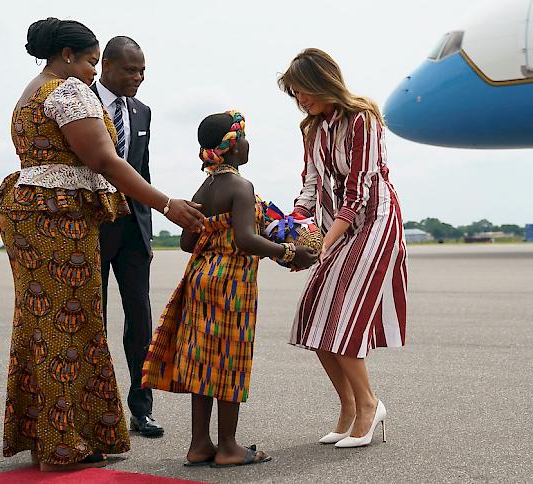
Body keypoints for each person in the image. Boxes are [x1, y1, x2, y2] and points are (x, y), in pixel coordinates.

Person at [0, 18, 203, 471]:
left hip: (33, 214)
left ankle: (51, 434)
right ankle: (65, 442)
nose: (91, 71)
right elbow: (105, 160)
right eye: (90, 61)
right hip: (57, 221)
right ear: (68, 56)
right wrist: (167, 204)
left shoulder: (33, 90)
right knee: (68, 327)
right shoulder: (67, 90)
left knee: (44, 326)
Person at [142, 111, 318, 467]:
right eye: (246, 137)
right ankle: (229, 447)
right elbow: (245, 238)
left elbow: (187, 243)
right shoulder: (241, 187)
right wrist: (289, 251)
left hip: (200, 278)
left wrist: (215, 238)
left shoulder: (203, 189)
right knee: (229, 363)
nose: (249, 143)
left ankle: (199, 444)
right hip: (232, 283)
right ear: (234, 145)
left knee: (203, 362)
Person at [278, 48, 408, 448]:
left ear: (323, 81)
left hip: (373, 222)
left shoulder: (362, 120)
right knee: (312, 319)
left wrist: (322, 245)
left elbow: (357, 193)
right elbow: (311, 186)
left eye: (303, 90)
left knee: (340, 319)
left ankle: (369, 404)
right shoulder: (311, 129)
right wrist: (290, 228)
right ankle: (349, 407)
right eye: (295, 94)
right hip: (337, 226)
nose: (301, 100)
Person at [90, 36, 162, 438]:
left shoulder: (142, 111)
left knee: (140, 319)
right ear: (105, 67)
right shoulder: (78, 98)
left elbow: (142, 173)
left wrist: (147, 232)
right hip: (92, 226)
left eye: (142, 70)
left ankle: (142, 409)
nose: (138, 77)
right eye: (130, 70)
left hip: (132, 229)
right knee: (93, 319)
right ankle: (100, 410)